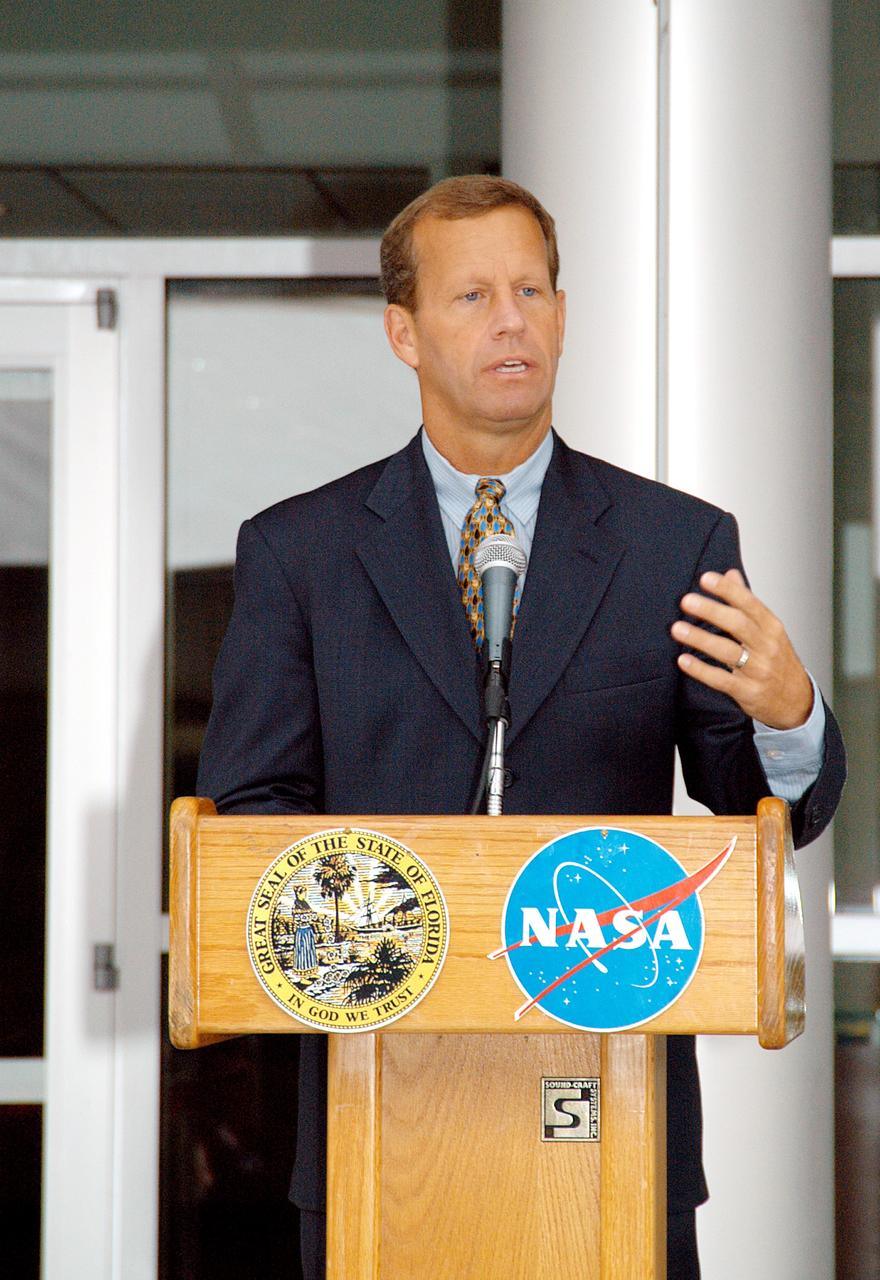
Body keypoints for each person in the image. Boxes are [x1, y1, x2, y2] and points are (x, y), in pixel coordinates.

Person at [197, 175, 845, 1279]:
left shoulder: (670, 542)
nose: (513, 320)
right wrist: (403, 944)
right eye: (474, 296)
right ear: (403, 330)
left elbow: (756, 809)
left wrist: (788, 717)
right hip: (375, 1108)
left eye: (533, 290)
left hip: (614, 1115)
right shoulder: (298, 552)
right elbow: (256, 817)